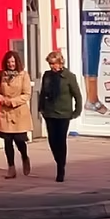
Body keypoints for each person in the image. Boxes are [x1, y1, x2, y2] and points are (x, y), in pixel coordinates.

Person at [39, 51, 83, 182]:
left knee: (61, 140)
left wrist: (77, 111)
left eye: (54, 64)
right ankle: (58, 160)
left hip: (64, 113)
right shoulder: (47, 76)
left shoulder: (69, 76)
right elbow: (42, 93)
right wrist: (41, 108)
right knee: (52, 141)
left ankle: (60, 168)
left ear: (60, 62)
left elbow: (77, 95)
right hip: (49, 113)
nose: (52, 66)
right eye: (50, 64)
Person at [0, 50, 33, 179]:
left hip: (19, 112)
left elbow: (27, 94)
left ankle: (24, 156)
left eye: (13, 62)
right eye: (8, 62)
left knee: (19, 140)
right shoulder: (1, 75)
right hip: (5, 113)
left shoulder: (24, 75)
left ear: (17, 62)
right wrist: (1, 98)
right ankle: (11, 167)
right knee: (7, 141)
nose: (11, 64)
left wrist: (12, 101)